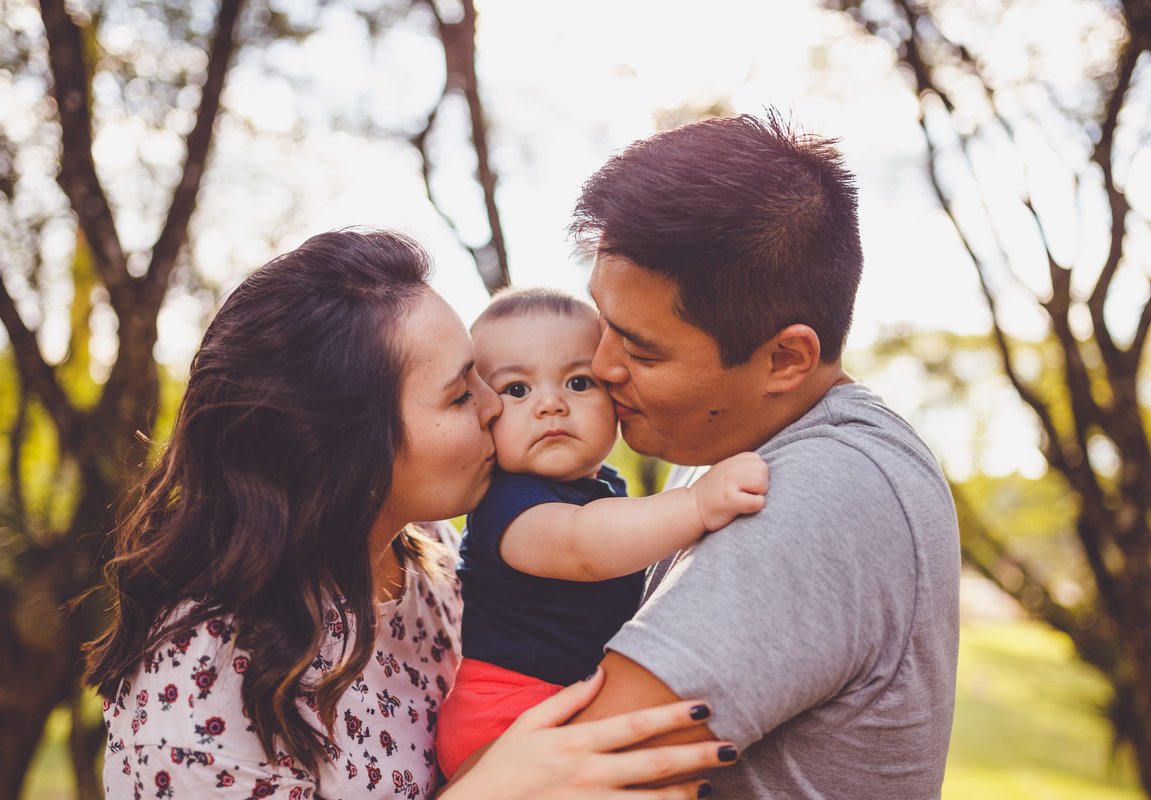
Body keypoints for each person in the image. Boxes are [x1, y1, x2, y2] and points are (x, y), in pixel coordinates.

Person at [84, 229, 740, 800]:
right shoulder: (202, 680)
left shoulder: (431, 554)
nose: (495, 406)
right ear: (347, 446)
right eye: (460, 395)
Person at [554, 113, 962, 798]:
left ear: (784, 359)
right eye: (603, 322)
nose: (600, 366)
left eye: (642, 351)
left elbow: (569, 780)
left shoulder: (828, 493)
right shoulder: (730, 446)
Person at [436, 288, 767, 778]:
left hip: (558, 698)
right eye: (517, 389)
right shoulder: (506, 503)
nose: (551, 405)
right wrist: (696, 504)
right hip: (506, 715)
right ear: (483, 411)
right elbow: (581, 546)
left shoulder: (606, 488)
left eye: (578, 382)